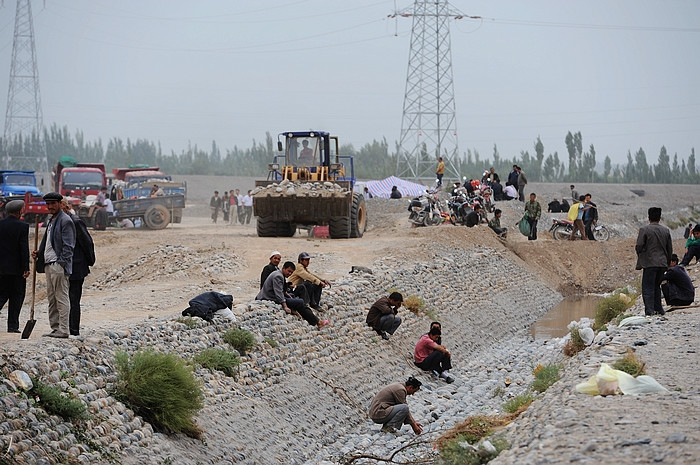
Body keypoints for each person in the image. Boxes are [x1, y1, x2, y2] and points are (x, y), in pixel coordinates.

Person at [33, 192, 76, 338]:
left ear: (59, 204)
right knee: (52, 298)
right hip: (49, 264)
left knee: (61, 297)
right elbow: (51, 242)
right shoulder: (52, 220)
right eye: (48, 204)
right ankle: (55, 327)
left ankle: (63, 329)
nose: (50, 206)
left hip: (58, 265)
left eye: (53, 204)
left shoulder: (65, 221)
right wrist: (40, 253)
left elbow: (69, 247)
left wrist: (61, 264)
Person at [256, 261, 330, 329]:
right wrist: (285, 306)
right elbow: (278, 293)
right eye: (288, 271)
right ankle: (317, 322)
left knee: (296, 299)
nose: (290, 274)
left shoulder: (279, 274)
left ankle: (316, 320)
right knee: (300, 302)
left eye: (291, 272)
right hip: (269, 297)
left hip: (273, 296)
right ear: (283, 268)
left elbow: (283, 290)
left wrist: (290, 296)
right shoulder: (278, 276)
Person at [61, 199, 95, 336]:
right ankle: (64, 328)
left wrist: (89, 261)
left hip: (76, 266)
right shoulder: (56, 222)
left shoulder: (75, 222)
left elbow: (87, 242)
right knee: (64, 299)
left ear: (66, 207)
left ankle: (73, 330)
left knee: (73, 299)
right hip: (63, 266)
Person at [635, 207, 673, 316]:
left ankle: (649, 311)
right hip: (662, 263)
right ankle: (659, 310)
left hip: (650, 263)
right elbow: (669, 249)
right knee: (657, 286)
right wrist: (667, 263)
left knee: (647, 288)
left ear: (648, 218)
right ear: (660, 218)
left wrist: (642, 254)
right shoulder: (666, 230)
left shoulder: (644, 230)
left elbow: (639, 246)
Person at [0, 200, 30, 333]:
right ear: (20, 211)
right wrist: (26, 267)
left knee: (1, 295)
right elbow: (23, 248)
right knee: (16, 297)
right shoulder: (22, 226)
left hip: (1, 268)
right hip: (17, 269)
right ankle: (12, 326)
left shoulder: (1, 224)